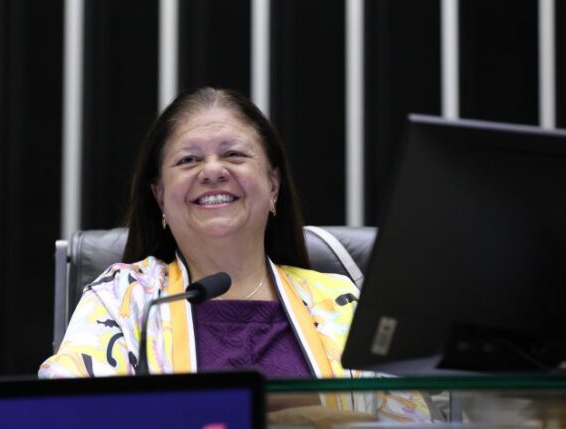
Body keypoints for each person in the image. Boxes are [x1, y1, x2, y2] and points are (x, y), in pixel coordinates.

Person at [39, 87, 431, 421]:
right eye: (188, 160)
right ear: (159, 195)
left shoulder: (342, 303)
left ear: (273, 183)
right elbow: (65, 416)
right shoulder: (125, 298)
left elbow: (411, 420)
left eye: (234, 155)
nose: (212, 171)